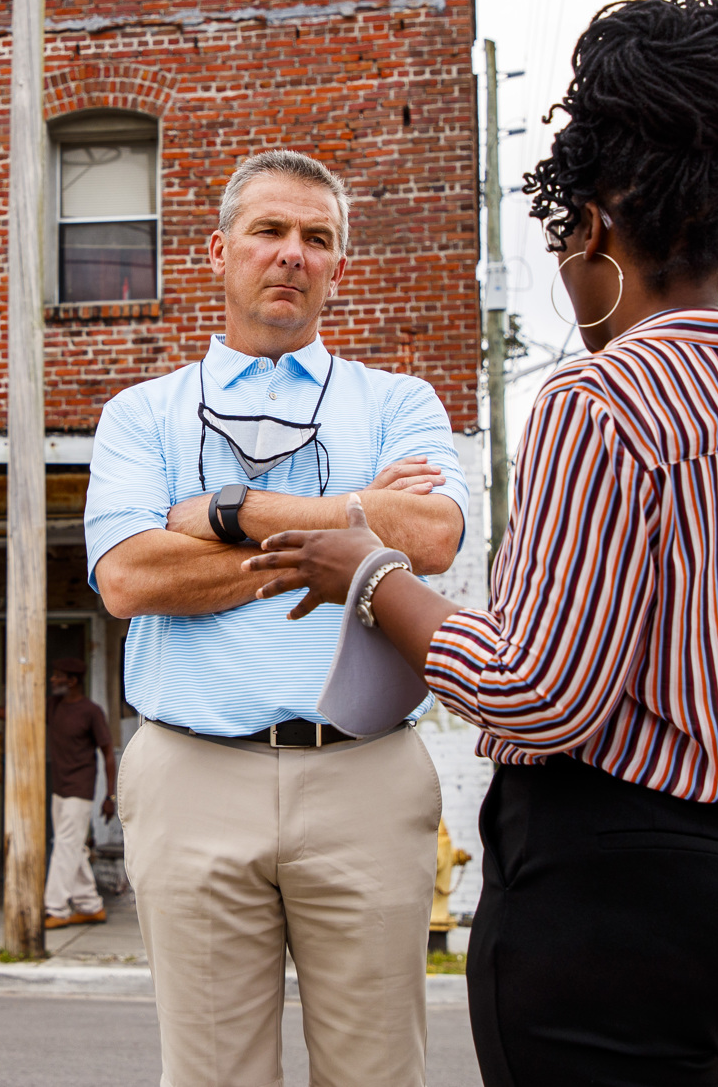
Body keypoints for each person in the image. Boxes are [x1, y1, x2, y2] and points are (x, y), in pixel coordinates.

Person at [242, 0, 718, 1087]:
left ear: (592, 233)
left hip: (627, 896)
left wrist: (367, 576)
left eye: (561, 242)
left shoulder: (601, 400)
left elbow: (537, 693)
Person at [84, 148, 469, 1087]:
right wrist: (350, 519)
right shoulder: (143, 413)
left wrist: (229, 514)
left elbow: (429, 532)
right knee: (212, 1075)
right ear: (218, 252)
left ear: (339, 265)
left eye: (317, 238)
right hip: (191, 770)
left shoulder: (399, 401)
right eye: (270, 231)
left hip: (365, 773)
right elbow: (130, 576)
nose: (292, 253)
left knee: (377, 1073)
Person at [0, 657, 116, 928]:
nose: (52, 680)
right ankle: (90, 906)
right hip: (60, 790)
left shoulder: (91, 711)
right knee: (72, 847)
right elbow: (16, 713)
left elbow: (109, 754)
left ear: (73, 681)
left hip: (80, 790)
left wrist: (110, 797)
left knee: (65, 846)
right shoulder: (53, 707)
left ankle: (55, 909)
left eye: (58, 676)